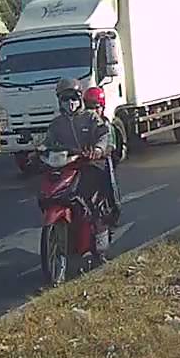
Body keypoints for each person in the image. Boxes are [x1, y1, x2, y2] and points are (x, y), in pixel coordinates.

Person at [42, 78, 114, 264]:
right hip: (66, 166)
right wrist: (38, 151)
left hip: (90, 164)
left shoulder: (90, 117)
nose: (70, 102)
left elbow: (104, 135)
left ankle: (100, 246)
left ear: (80, 97)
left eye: (73, 97)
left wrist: (97, 149)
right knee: (47, 195)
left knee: (90, 202)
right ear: (59, 101)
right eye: (65, 98)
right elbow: (47, 142)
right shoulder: (56, 124)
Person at [82, 86, 123, 229]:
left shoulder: (106, 125)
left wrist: (100, 151)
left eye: (96, 107)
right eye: (89, 107)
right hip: (86, 161)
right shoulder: (82, 123)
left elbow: (110, 145)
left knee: (110, 184)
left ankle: (115, 210)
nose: (93, 111)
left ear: (102, 107)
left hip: (104, 160)